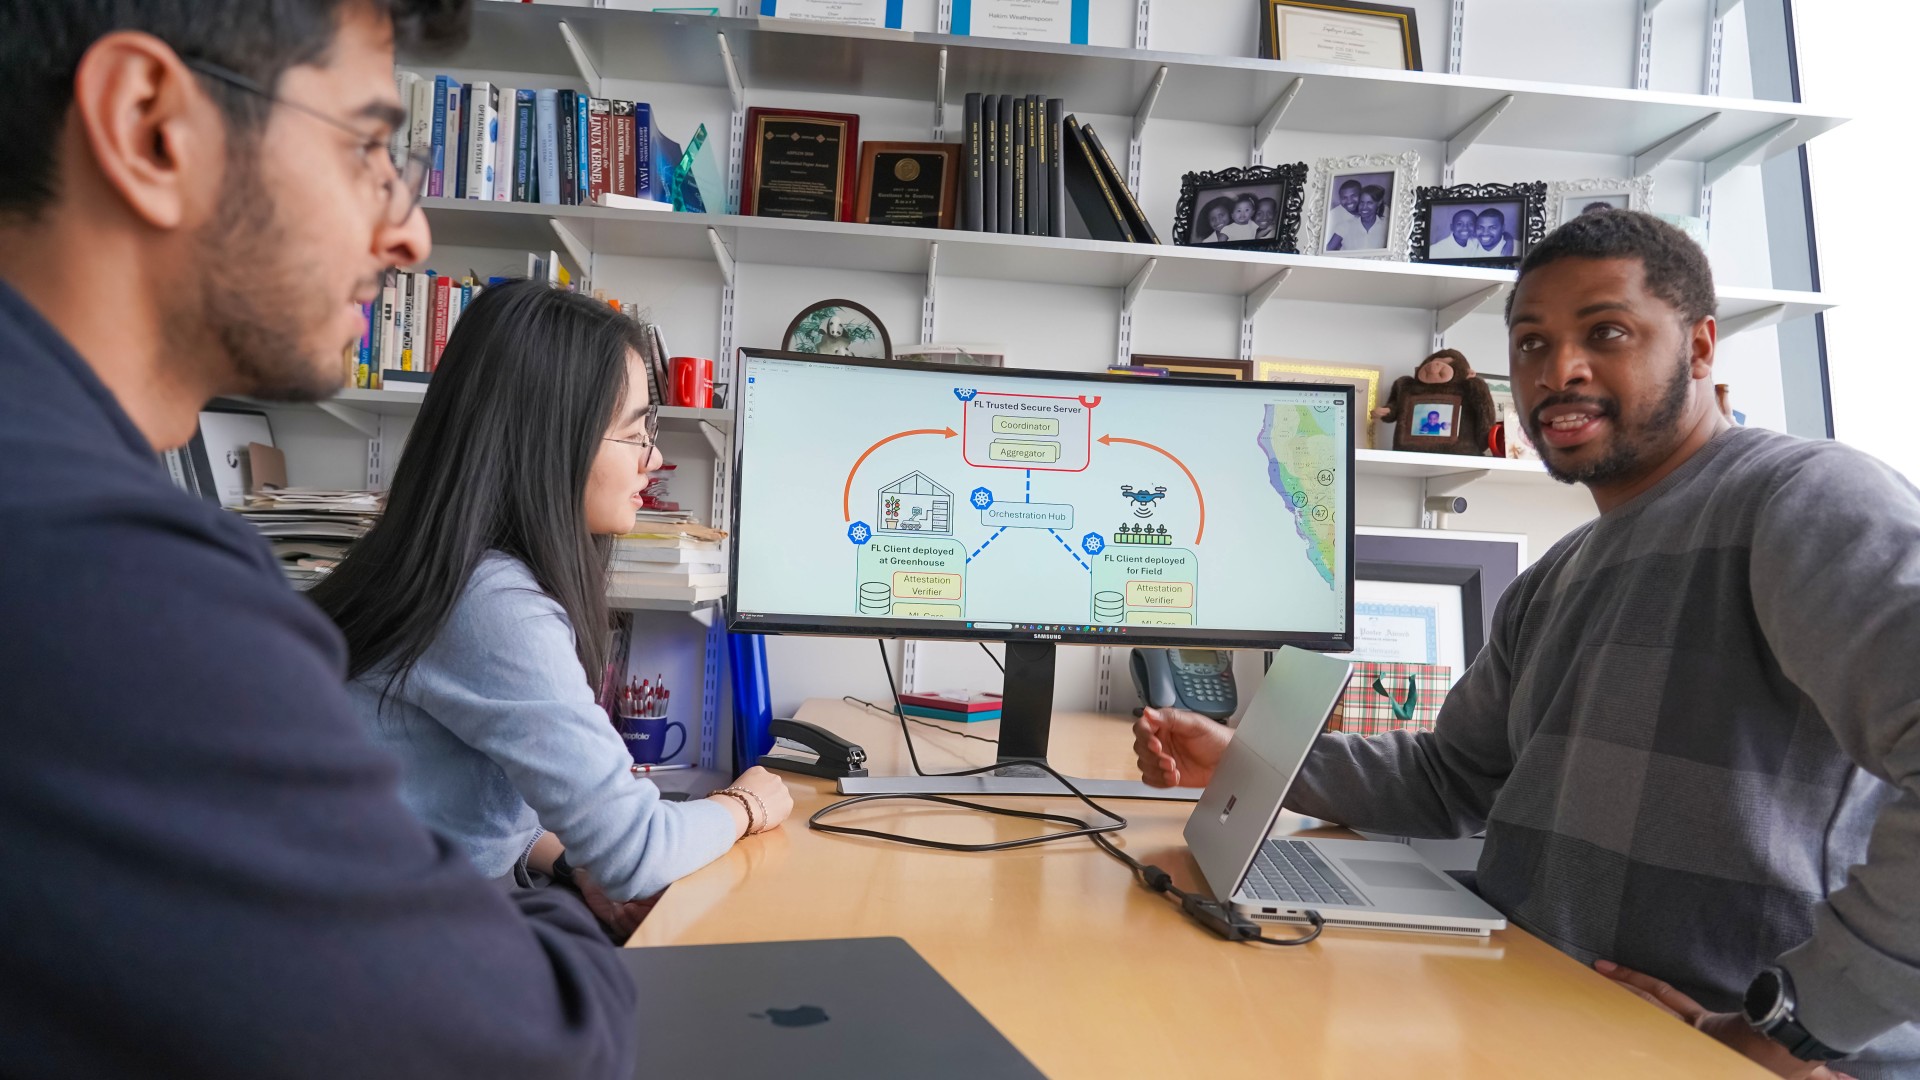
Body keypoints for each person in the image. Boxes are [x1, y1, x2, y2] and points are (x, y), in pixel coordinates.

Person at [0, 2, 642, 1075]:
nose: (409, 234)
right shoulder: (100, 571)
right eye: (367, 151)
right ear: (152, 125)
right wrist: (519, 904)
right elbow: (534, 1048)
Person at [1136, 210, 1920, 1079]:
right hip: (1533, 1018)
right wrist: (1249, 760)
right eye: (1532, 344)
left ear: (1700, 348)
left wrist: (1783, 1034)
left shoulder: (1806, 500)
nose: (1560, 372)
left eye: (1606, 332)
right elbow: (1451, 779)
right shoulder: (1561, 574)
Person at [308, 280, 793, 935]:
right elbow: (639, 852)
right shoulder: (491, 603)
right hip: (394, 950)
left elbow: (454, 797)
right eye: (635, 432)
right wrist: (745, 804)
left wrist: (569, 862)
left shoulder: (448, 571)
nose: (656, 458)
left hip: (385, 921)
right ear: (550, 440)